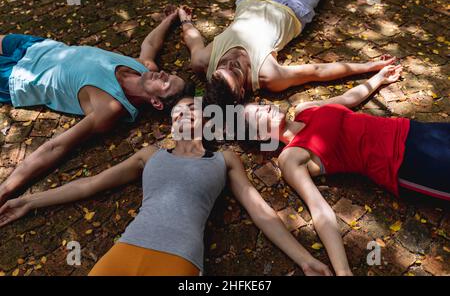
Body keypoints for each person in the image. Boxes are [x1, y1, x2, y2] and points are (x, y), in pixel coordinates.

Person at [0, 96, 334, 276]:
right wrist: (31, 201)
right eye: (176, 114)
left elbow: (262, 213)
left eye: (189, 110)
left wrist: (304, 259)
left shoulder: (225, 159)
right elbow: (92, 184)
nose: (180, 117)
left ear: (207, 119)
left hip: (177, 259)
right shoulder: (150, 155)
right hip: (124, 251)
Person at [244, 64, 450, 275]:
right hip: (403, 164)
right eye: (257, 115)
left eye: (260, 104)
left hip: (413, 130)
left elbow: (348, 98)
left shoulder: (304, 109)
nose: (264, 107)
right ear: (261, 136)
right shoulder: (291, 157)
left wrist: (379, 77)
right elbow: (319, 210)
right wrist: (343, 271)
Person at [0, 7, 195, 206]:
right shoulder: (144, 66)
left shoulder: (111, 108)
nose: (162, 74)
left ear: (156, 102)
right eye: (168, 75)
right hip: (40, 47)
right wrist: (172, 19)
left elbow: (56, 147)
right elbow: (151, 43)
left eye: (166, 83)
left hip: (16, 76)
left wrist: (5, 190)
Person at [179, 0, 396, 107]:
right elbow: (317, 71)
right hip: (292, 9)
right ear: (242, 91)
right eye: (235, 71)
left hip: (251, 0)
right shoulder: (268, 76)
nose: (229, 62)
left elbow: (193, 40)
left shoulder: (202, 62)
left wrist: (184, 20)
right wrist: (369, 66)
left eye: (222, 66)